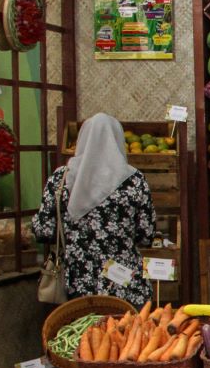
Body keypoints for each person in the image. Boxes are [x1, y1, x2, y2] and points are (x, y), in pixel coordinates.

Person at [32, 113, 156, 306]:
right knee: (127, 334)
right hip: (124, 283)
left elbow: (44, 231)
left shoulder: (60, 180)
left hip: (77, 283)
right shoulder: (134, 180)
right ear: (118, 140)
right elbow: (146, 234)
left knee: (80, 334)